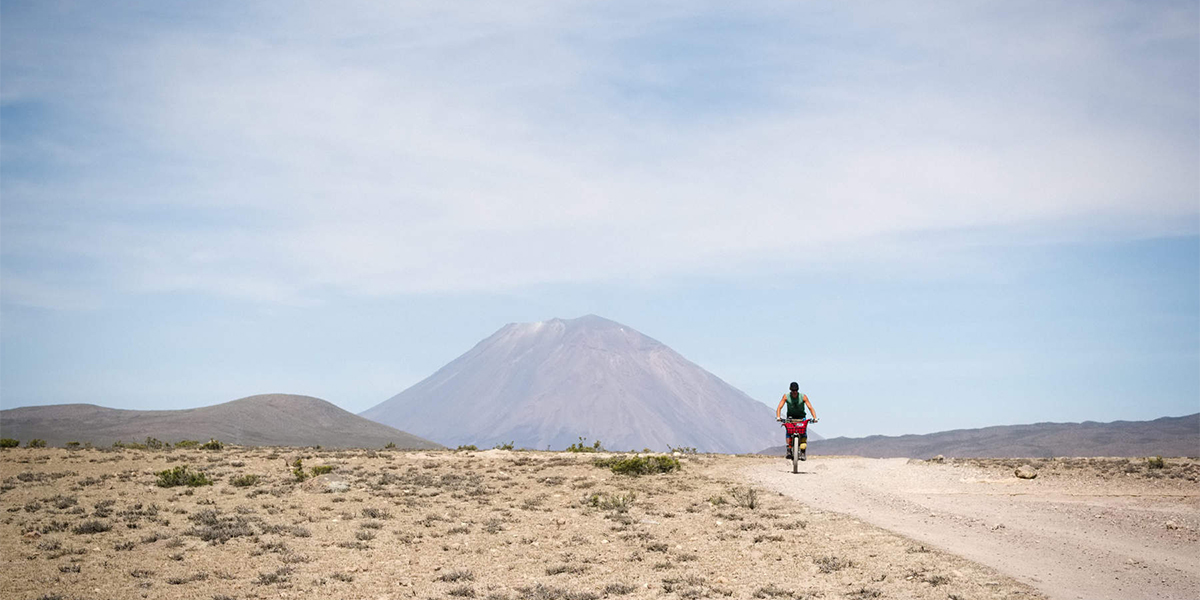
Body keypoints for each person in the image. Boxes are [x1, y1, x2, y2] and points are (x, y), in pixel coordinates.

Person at [775, 382, 817, 459]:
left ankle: (803, 452)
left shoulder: (803, 397)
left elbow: (810, 407)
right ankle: (789, 449)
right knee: (788, 431)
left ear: (797, 390)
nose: (794, 392)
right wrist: (778, 417)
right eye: (793, 391)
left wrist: (815, 418)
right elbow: (779, 407)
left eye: (796, 390)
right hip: (790, 417)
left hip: (801, 417)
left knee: (803, 433)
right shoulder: (786, 397)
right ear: (790, 390)